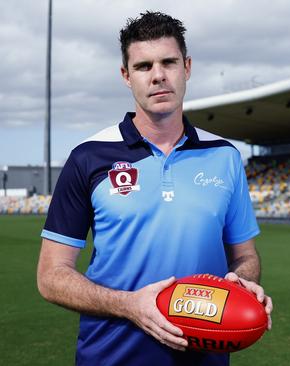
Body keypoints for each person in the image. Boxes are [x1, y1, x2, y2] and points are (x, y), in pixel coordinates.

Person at [36, 11, 272, 366]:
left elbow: (245, 256)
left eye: (169, 62)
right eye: (144, 66)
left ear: (187, 67)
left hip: (204, 358)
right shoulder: (88, 157)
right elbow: (51, 277)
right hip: (110, 356)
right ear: (125, 76)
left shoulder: (224, 156)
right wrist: (128, 305)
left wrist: (240, 284)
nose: (158, 75)